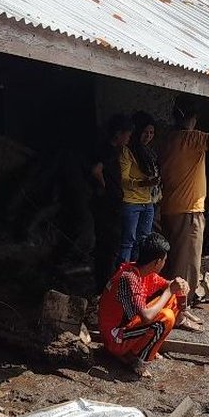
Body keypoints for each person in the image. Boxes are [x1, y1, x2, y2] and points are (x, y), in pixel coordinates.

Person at [159, 95, 209, 321]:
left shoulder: (168, 138)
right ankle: (180, 311)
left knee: (173, 262)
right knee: (187, 266)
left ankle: (175, 308)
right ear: (193, 118)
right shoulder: (190, 138)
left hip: (170, 207)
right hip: (188, 210)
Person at [98, 232, 189, 377]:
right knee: (166, 317)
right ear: (157, 262)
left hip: (125, 326)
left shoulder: (141, 271)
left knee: (170, 298)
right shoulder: (129, 278)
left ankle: (141, 348)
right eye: (164, 260)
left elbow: (168, 285)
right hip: (115, 337)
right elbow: (147, 316)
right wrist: (170, 290)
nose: (165, 263)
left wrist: (178, 286)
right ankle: (139, 361)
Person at [91, 114, 133, 290]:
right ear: (118, 134)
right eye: (127, 134)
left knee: (108, 247)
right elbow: (96, 170)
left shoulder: (113, 151)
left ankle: (103, 285)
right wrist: (105, 189)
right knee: (108, 248)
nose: (129, 138)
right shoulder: (107, 150)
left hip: (110, 204)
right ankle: (103, 287)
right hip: (108, 207)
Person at [116, 112, 160, 264]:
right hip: (131, 202)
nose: (148, 136)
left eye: (151, 133)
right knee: (128, 241)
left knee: (143, 243)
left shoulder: (149, 152)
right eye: (145, 132)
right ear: (137, 132)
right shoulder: (127, 151)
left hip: (148, 203)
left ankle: (137, 277)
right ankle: (122, 278)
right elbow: (123, 179)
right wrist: (142, 183)